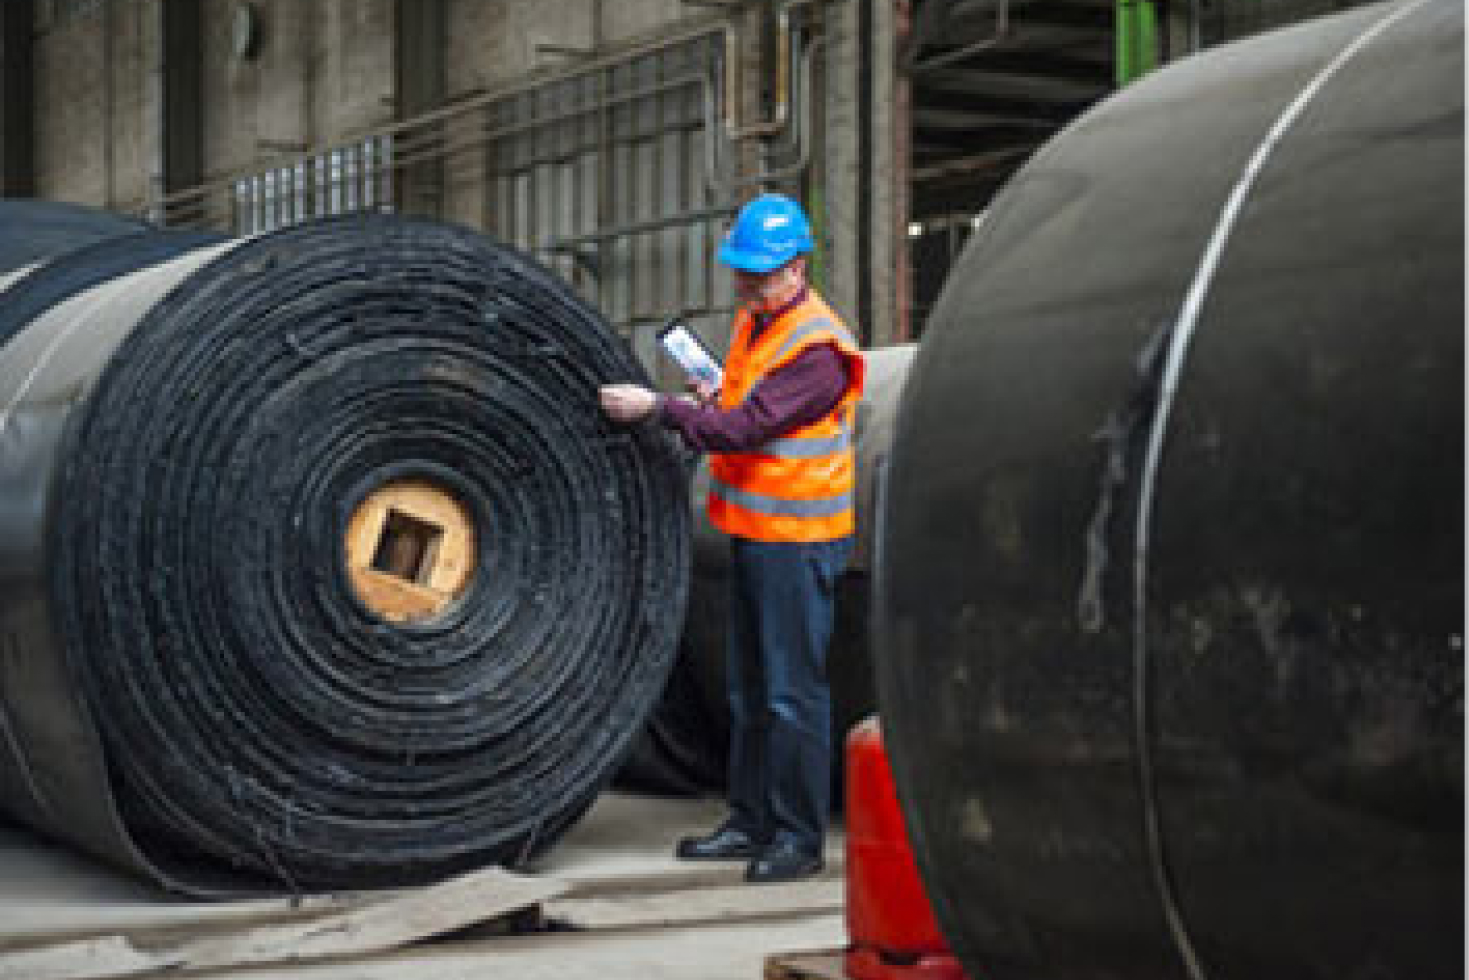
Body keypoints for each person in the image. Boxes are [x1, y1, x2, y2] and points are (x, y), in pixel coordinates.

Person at [599, 193, 865, 883]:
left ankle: (797, 838)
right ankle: (749, 822)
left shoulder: (818, 349)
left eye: (760, 272)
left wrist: (658, 409)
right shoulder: (759, 324)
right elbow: (742, 408)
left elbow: (747, 429)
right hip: (755, 531)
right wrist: (712, 394)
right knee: (749, 690)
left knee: (790, 695)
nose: (745, 284)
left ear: (797, 266)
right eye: (741, 271)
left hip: (798, 541)